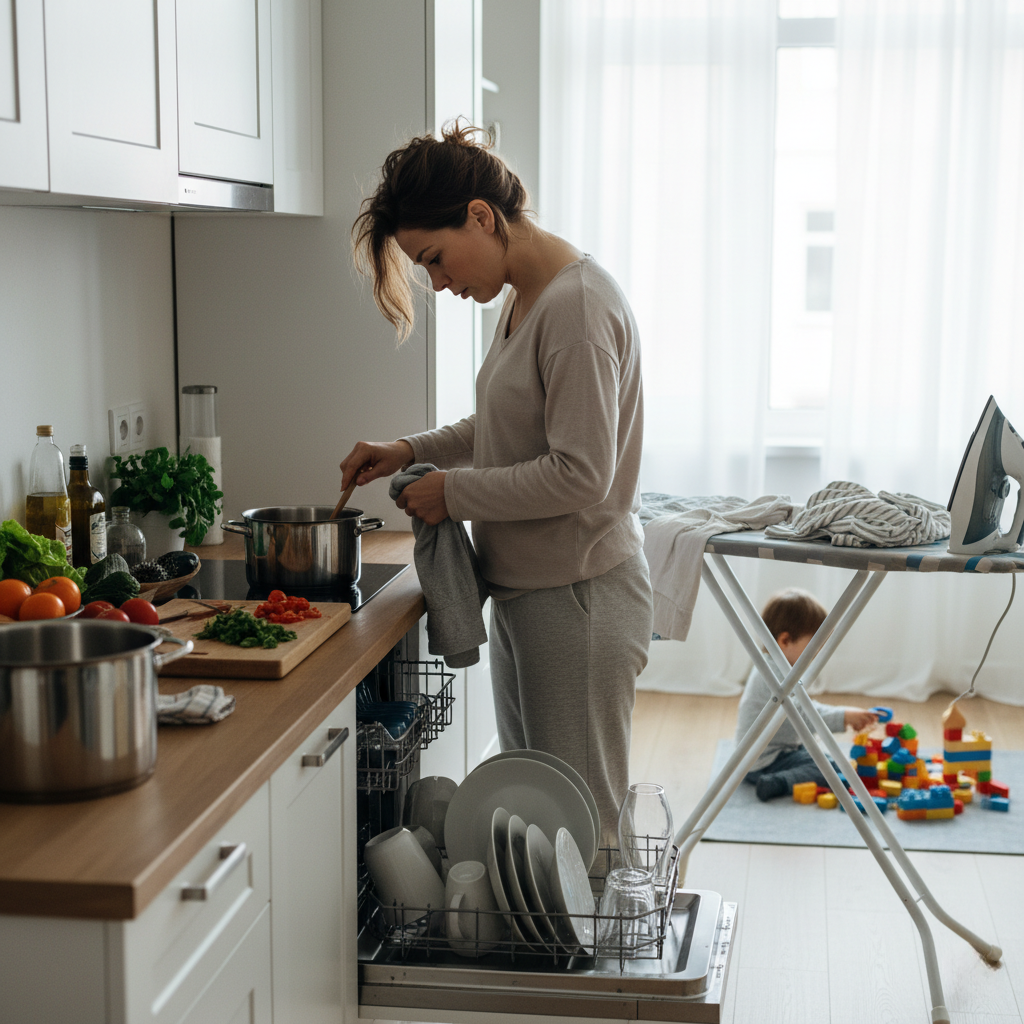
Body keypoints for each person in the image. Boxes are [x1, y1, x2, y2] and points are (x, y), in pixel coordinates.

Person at [340, 123, 653, 846]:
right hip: (533, 595)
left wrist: (451, 494)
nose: (442, 284)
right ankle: (555, 958)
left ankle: (597, 959)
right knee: (547, 824)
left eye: (437, 260)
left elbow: (581, 473)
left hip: (577, 601)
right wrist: (408, 449)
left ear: (481, 216)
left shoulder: (574, 308)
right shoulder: (527, 297)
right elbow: (503, 428)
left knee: (585, 833)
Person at [736, 588, 878, 802]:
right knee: (827, 770)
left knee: (831, 763)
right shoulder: (776, 676)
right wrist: (844, 716)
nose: (818, 653)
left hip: (770, 753)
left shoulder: (775, 666)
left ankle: (804, 776)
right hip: (764, 761)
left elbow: (802, 708)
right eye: (814, 646)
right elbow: (805, 715)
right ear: (785, 641)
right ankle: (778, 782)